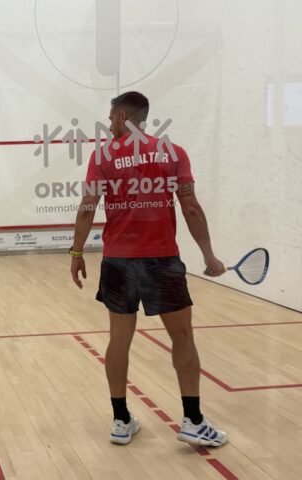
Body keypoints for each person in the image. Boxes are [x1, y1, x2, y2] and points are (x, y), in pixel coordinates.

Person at [70, 92, 228, 447]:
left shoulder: (102, 156)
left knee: (119, 340)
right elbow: (190, 207)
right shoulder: (174, 153)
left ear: (124, 116)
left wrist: (76, 252)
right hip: (162, 261)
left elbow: (87, 206)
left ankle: (120, 421)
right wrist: (209, 257)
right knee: (182, 336)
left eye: (111, 118)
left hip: (118, 262)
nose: (109, 125)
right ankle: (193, 421)